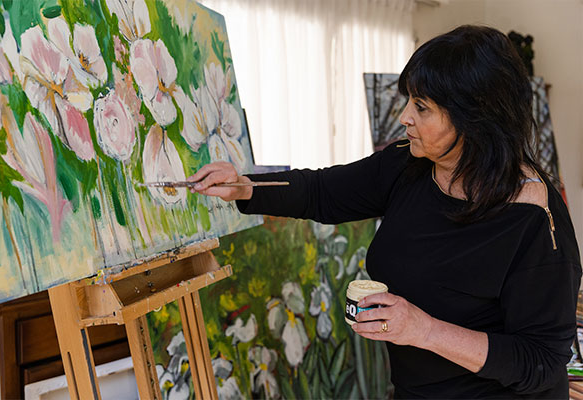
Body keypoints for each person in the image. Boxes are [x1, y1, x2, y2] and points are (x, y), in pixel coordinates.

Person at [187, 25, 582, 398]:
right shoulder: (408, 164)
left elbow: (542, 362)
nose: (404, 116)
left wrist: (425, 330)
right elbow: (322, 192)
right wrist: (245, 186)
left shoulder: (534, 218)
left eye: (421, 107)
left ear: (474, 118)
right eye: (409, 101)